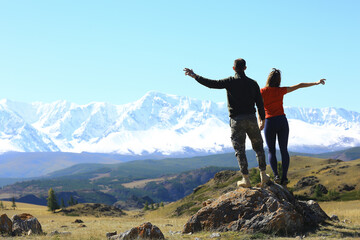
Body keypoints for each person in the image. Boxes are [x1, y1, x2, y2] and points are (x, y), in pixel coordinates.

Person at [184, 58, 270, 188]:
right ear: (245, 68)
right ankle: (263, 176)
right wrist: (262, 120)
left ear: (234, 68)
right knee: (258, 147)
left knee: (240, 150)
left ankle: (245, 179)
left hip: (236, 120)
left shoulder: (230, 82)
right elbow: (260, 104)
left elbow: (211, 84)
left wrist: (195, 76)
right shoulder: (253, 83)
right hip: (252, 119)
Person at [260, 68, 326, 185]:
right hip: (282, 121)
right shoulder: (281, 90)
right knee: (284, 150)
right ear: (279, 80)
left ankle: (276, 176)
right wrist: (316, 83)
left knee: (271, 151)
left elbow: (258, 108)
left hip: (270, 122)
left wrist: (261, 121)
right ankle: (284, 177)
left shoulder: (263, 91)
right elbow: (300, 85)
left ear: (268, 79)